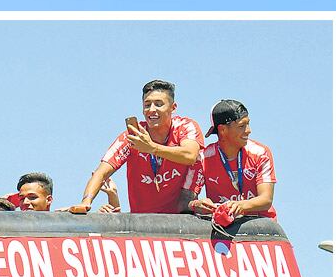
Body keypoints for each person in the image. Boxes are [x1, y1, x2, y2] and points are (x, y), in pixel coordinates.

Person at [73, 79, 204, 215]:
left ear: (173, 107)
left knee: (201, 158)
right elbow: (101, 172)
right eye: (147, 105)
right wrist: (86, 202)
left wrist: (152, 148)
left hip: (179, 223)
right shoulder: (133, 136)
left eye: (159, 104)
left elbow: (190, 156)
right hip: (141, 223)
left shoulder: (185, 126)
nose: (152, 110)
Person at [190, 99, 276, 228]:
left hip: (261, 228)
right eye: (242, 126)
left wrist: (240, 205)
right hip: (223, 228)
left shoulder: (261, 152)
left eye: (248, 124)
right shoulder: (203, 158)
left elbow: (266, 200)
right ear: (223, 130)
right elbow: (186, 200)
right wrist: (196, 204)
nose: (248, 130)